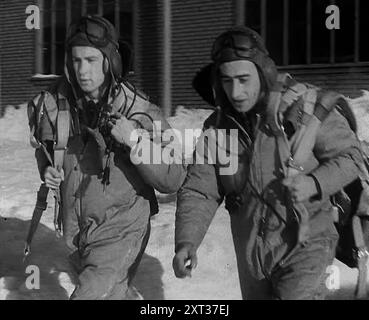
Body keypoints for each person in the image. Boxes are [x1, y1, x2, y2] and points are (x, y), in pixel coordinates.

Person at [172, 26, 364, 300]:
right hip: (252, 255)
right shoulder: (217, 129)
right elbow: (200, 190)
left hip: (308, 245)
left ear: (263, 73)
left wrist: (314, 183)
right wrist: (186, 242)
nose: (235, 91)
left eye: (243, 79)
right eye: (227, 81)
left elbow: (352, 157)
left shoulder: (303, 110)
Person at [28, 15, 186, 300]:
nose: (82, 70)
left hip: (122, 228)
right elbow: (44, 148)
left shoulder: (139, 109)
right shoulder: (57, 105)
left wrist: (134, 140)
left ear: (109, 60)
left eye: (91, 60)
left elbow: (174, 174)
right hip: (77, 233)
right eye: (76, 61)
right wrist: (47, 169)